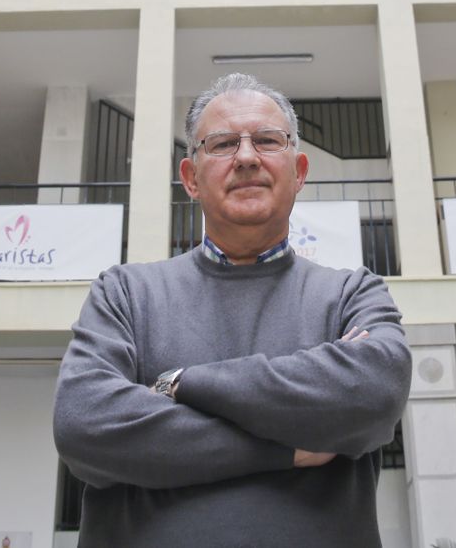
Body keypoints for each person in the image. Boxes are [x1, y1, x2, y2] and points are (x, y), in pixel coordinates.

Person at [52, 72, 412, 547]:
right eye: (222, 144)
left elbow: (374, 393)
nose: (246, 157)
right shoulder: (124, 294)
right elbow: (84, 424)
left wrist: (180, 384)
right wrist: (283, 450)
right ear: (190, 178)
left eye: (267, 140)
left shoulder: (351, 294)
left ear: (299, 171)